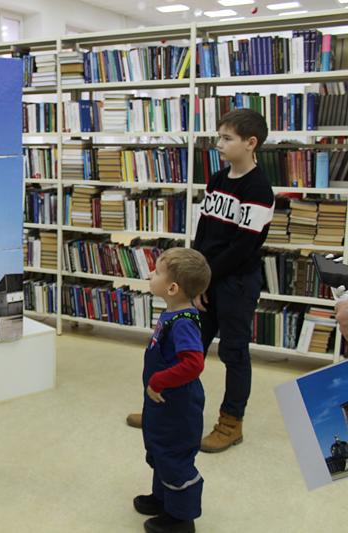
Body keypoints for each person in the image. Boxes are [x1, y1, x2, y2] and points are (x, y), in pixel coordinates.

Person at [127, 109, 273, 454]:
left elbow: (242, 247)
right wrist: (196, 279)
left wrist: (204, 281)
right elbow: (204, 230)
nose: (218, 144)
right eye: (219, 136)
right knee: (184, 348)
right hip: (207, 279)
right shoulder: (218, 178)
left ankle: (231, 423)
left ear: (251, 143)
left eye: (227, 138)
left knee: (234, 353)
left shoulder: (258, 188)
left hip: (235, 284)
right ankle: (162, 405)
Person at [135, 247, 211, 533]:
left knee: (174, 456)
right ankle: (163, 498)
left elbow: (193, 364)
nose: (150, 275)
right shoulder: (171, 311)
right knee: (159, 451)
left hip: (177, 405)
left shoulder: (183, 323)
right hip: (161, 403)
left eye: (156, 272)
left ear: (172, 288)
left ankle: (181, 518)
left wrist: (158, 381)